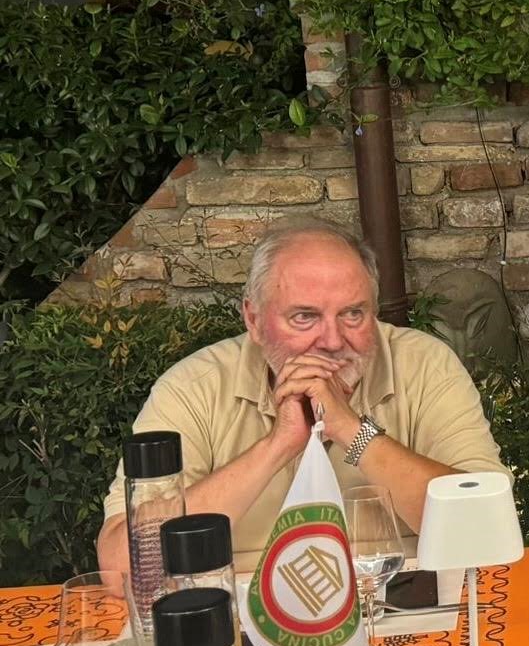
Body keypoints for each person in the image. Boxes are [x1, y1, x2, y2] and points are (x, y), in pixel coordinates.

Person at [98, 217, 511, 573]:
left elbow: (485, 529)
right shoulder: (194, 386)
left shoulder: (424, 365)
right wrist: (278, 445)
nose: (332, 341)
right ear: (254, 320)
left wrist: (352, 431)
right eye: (304, 317)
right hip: (241, 620)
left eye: (353, 314)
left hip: (399, 610)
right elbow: (122, 566)